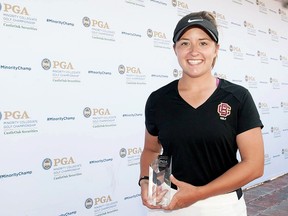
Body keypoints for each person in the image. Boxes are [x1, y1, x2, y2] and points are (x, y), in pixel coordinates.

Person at [138, 11, 264, 216]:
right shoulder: (158, 100)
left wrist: (198, 193)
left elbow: (254, 165)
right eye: (185, 43)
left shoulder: (237, 97)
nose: (193, 51)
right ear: (175, 49)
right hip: (171, 203)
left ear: (216, 49)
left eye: (203, 43)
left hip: (222, 205)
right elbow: (153, 150)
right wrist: (149, 182)